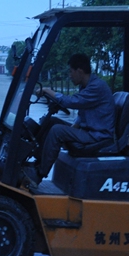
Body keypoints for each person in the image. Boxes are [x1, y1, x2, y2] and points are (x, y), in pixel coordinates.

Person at [23, 53, 115, 187]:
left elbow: (72, 101)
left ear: (79, 71)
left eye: (71, 72)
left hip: (97, 136)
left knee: (57, 131)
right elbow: (82, 114)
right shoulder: (86, 86)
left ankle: (39, 174)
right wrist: (72, 129)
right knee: (52, 121)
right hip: (88, 131)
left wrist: (48, 91)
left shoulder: (97, 87)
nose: (70, 75)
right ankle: (35, 161)